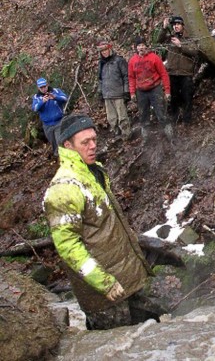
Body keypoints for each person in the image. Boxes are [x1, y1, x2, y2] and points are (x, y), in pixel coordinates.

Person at [43, 114, 162, 330]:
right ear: (68, 145)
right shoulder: (63, 189)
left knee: (149, 337)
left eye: (94, 140)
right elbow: (69, 248)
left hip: (126, 279)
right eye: (85, 142)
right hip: (103, 295)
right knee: (116, 346)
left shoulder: (94, 171)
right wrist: (103, 282)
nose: (92, 146)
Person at [128, 36, 173, 143]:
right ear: (136, 48)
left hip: (155, 89)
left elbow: (164, 74)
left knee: (161, 113)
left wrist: (167, 91)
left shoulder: (154, 58)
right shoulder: (132, 61)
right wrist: (132, 92)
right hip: (141, 91)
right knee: (143, 115)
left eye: (143, 45)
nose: (141, 48)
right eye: (139, 45)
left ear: (146, 46)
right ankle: (146, 139)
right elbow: (131, 77)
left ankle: (170, 136)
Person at [157, 16, 200, 124]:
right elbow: (159, 41)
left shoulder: (189, 38)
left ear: (182, 25)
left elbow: (195, 52)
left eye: (178, 24)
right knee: (173, 97)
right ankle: (174, 118)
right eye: (174, 25)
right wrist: (164, 27)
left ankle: (187, 120)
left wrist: (180, 45)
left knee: (187, 97)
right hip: (172, 72)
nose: (176, 26)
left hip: (185, 73)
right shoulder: (170, 38)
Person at [97, 39, 131, 140]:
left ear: (110, 49)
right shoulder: (101, 64)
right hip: (107, 95)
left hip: (119, 93)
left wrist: (126, 91)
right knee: (111, 118)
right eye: (102, 51)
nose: (104, 52)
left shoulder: (119, 61)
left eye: (106, 50)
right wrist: (100, 92)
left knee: (122, 117)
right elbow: (100, 79)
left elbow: (126, 76)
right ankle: (117, 133)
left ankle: (126, 135)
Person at [31, 77, 67, 156]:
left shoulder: (55, 91)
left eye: (44, 86)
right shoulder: (36, 97)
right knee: (54, 144)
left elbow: (64, 99)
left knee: (60, 142)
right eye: (41, 87)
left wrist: (55, 97)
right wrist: (42, 102)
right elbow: (34, 108)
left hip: (59, 122)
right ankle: (58, 158)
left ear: (47, 85)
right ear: (38, 88)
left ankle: (64, 159)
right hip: (47, 125)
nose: (43, 89)